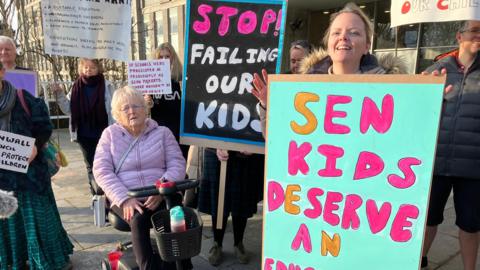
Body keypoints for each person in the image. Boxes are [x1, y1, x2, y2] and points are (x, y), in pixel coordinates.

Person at [252, 2, 406, 136]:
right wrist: (268, 106)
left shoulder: (391, 89)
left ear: (367, 46)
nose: (343, 37)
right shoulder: (304, 88)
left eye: (354, 33)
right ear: (328, 43)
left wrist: (427, 101)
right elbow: (279, 140)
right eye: (336, 32)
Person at [93, 86, 190, 270]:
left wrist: (161, 190)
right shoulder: (110, 136)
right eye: (125, 108)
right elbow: (101, 171)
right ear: (116, 114)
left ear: (145, 109)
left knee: (175, 215)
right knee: (138, 219)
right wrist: (124, 199)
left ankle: (181, 265)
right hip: (127, 195)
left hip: (161, 192)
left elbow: (177, 164)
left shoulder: (163, 133)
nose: (132, 111)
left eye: (137, 106)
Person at [0, 61, 73, 269]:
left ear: (2, 72)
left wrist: (36, 146)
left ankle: (46, 261)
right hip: (3, 182)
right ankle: (15, 260)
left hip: (31, 176)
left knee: (39, 224)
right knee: (8, 226)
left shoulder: (23, 97)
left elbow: (44, 126)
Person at [421, 20, 480, 270]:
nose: (479, 35)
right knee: (428, 220)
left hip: (474, 167)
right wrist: (425, 90)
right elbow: (417, 111)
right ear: (459, 36)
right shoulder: (436, 70)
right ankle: (418, 262)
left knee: (470, 225)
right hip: (437, 162)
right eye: (475, 30)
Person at [55, 58, 115, 194]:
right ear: (81, 68)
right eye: (85, 67)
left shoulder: (107, 85)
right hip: (84, 134)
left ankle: (109, 193)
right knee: (90, 166)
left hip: (104, 133)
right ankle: (96, 195)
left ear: (98, 68)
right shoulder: (77, 86)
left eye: (92, 67)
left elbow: (113, 109)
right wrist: (59, 94)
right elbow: (67, 109)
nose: (88, 70)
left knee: (106, 165)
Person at [144, 42, 189, 159]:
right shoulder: (151, 80)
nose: (164, 59)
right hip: (159, 131)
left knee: (180, 162)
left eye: (167, 56)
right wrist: (148, 102)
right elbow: (145, 109)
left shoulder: (181, 78)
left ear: (172, 58)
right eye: (161, 56)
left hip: (180, 131)